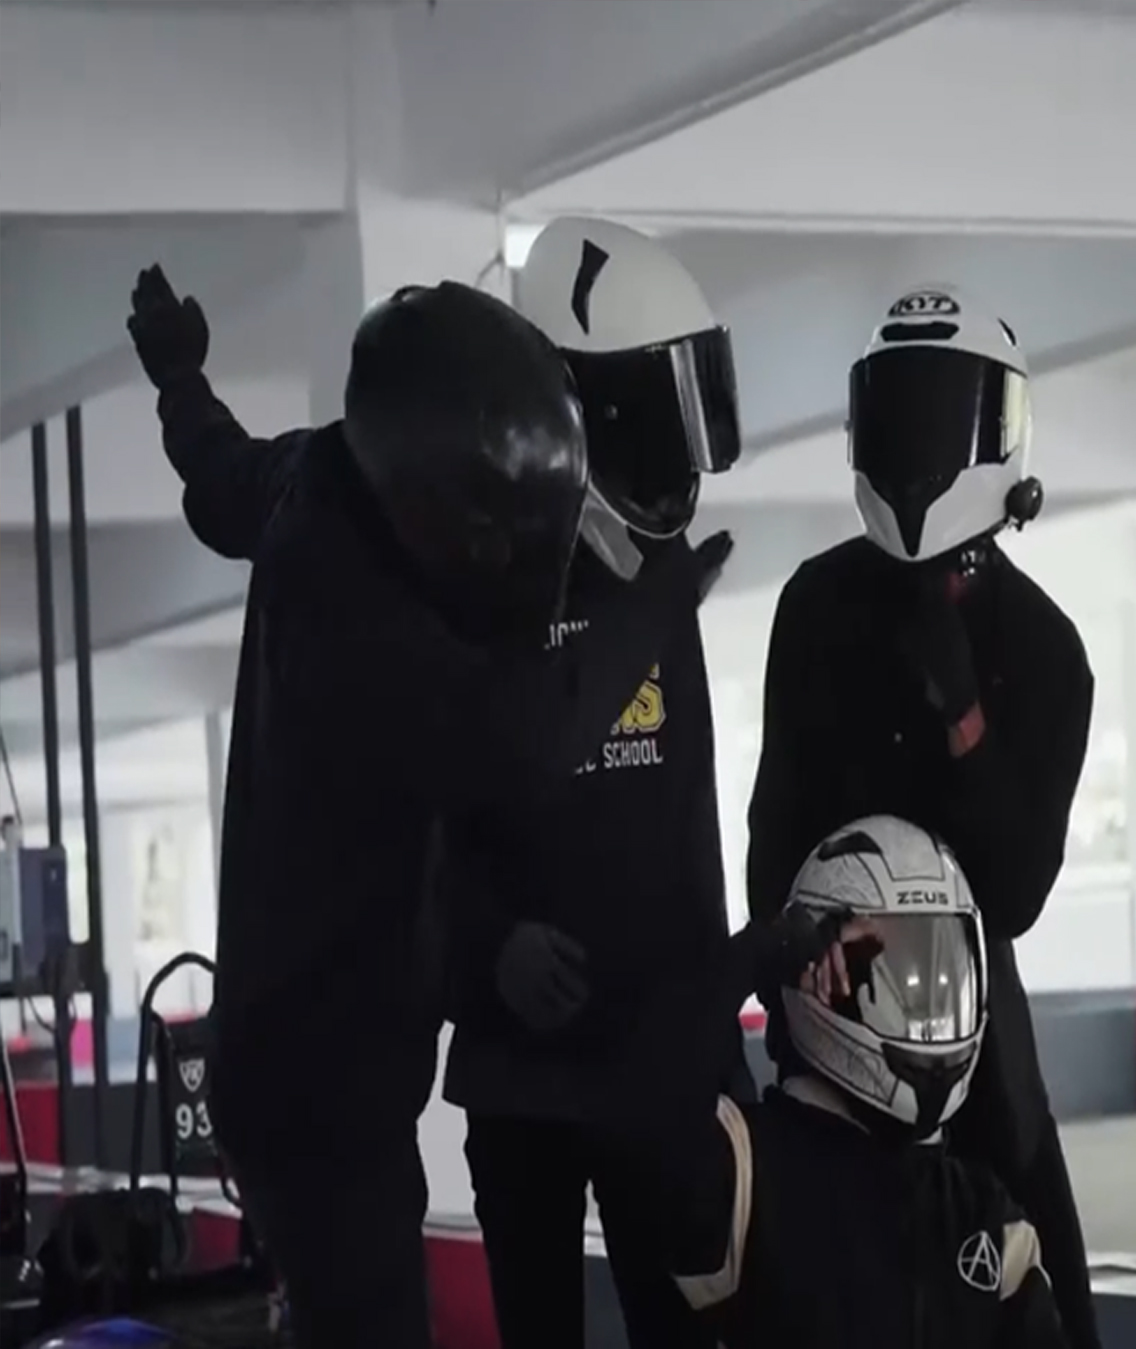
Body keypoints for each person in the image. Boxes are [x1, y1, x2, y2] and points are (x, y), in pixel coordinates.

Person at [125, 267, 711, 1349]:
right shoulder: (359, 618)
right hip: (326, 1081)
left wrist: (178, 374)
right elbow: (520, 747)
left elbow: (214, 472)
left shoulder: (314, 471)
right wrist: (656, 605)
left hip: (299, 1057)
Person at [746, 286, 1101, 1349]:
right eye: (896, 417)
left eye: (938, 418)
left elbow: (1019, 890)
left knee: (1041, 1262)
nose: (914, 448)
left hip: (966, 1009)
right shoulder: (814, 604)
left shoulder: (1044, 648)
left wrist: (965, 718)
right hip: (825, 992)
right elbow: (773, 826)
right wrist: (788, 966)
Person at [437, 215, 742, 1349]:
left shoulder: (663, 578)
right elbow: (414, 820)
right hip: (522, 1082)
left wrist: (715, 1047)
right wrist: (489, 949)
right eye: (644, 413)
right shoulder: (465, 580)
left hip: (664, 1073)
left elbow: (685, 831)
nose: (673, 452)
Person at [589, 814, 1069, 1348]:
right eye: (894, 973)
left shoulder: (988, 1221)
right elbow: (641, 1105)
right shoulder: (743, 1170)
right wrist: (760, 952)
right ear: (820, 971)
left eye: (937, 975)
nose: (925, 1005)